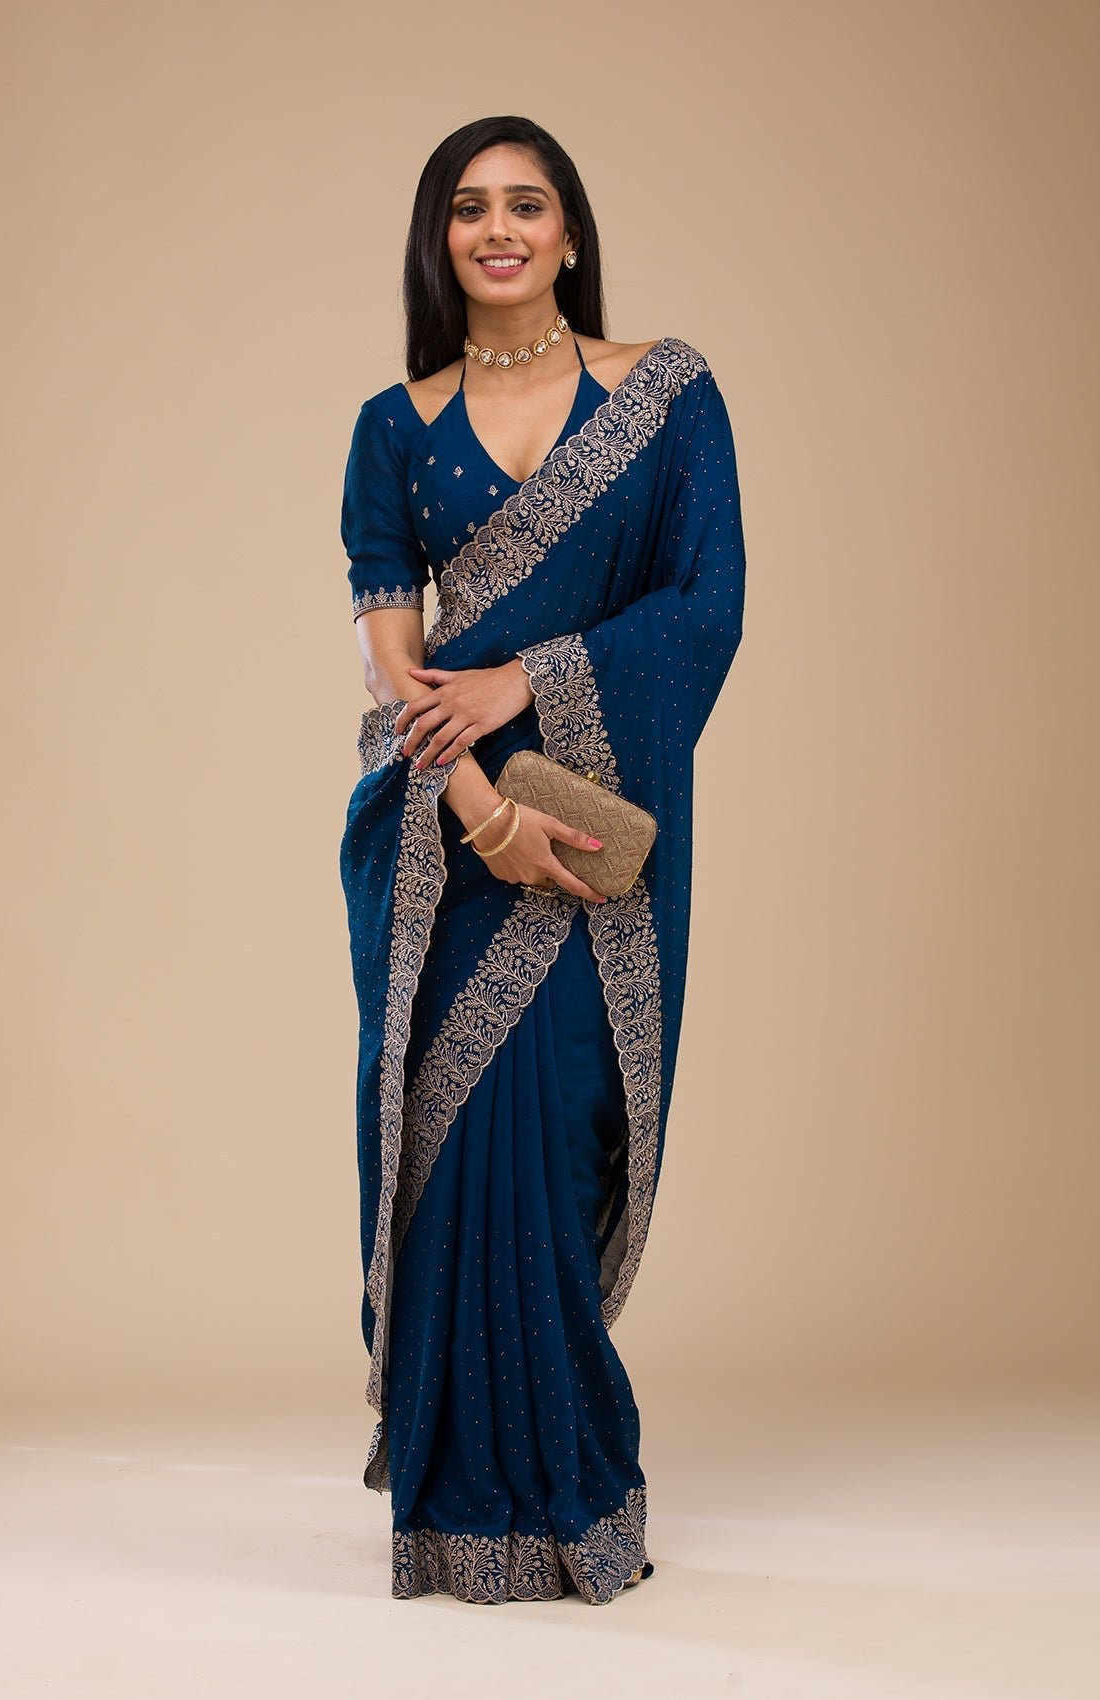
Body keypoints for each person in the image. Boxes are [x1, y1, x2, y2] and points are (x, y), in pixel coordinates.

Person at [338, 114, 746, 1606]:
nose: (498, 229)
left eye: (527, 204)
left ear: (571, 232)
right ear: (438, 240)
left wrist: (528, 682)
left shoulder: (667, 397)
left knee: (564, 1133)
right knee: (450, 1158)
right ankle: (458, 1510)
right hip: (449, 843)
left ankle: (576, 1490)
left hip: (594, 837)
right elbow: (394, 662)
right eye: (469, 208)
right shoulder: (394, 426)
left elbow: (706, 607)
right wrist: (481, 811)